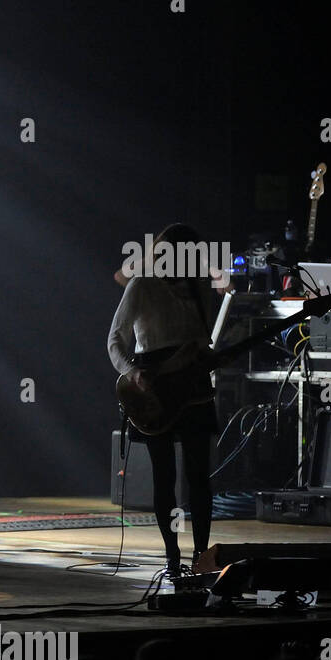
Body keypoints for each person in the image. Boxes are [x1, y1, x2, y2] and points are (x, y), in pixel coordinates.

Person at [107, 222, 217, 580]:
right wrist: (132, 373)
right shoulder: (142, 284)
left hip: (195, 383)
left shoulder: (198, 288)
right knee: (164, 475)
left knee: (200, 475)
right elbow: (115, 339)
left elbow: (203, 339)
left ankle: (202, 553)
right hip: (154, 386)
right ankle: (172, 555)